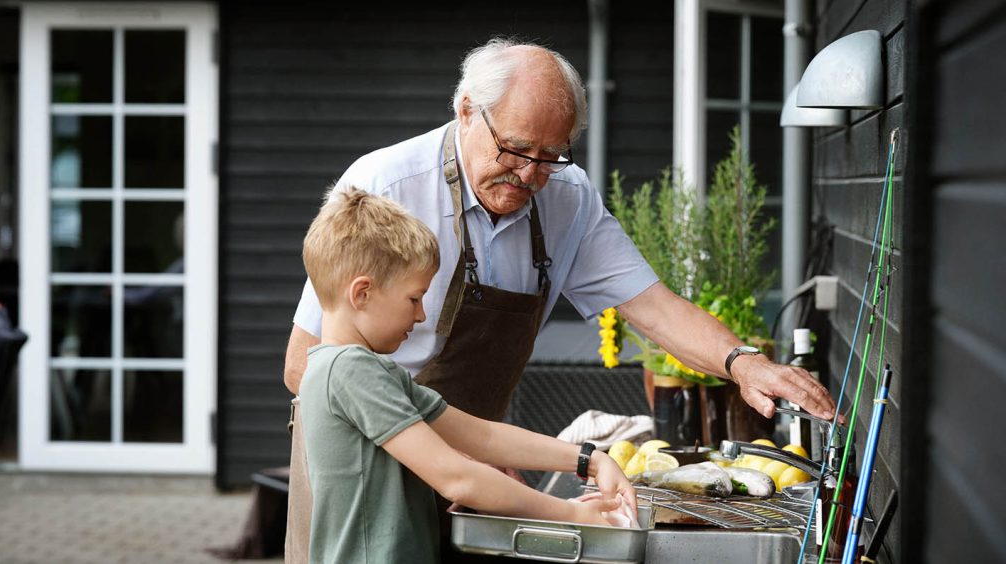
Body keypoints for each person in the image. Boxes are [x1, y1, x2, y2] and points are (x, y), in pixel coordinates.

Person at [283, 37, 837, 559]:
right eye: (517, 148)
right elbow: (302, 365)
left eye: (550, 156)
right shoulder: (386, 186)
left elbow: (654, 306)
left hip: (466, 456)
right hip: (363, 484)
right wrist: (469, 469)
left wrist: (743, 364)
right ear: (468, 111)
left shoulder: (568, 200)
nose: (528, 173)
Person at [297, 188, 635, 564]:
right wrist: (573, 516)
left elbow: (483, 436)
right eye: (414, 298)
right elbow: (457, 477)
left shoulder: (367, 371)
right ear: (362, 293)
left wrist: (589, 458)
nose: (422, 315)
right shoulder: (350, 370)